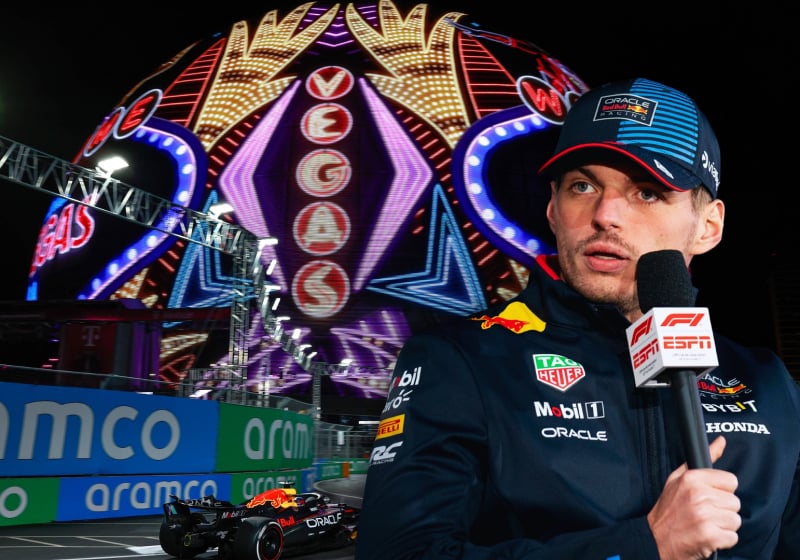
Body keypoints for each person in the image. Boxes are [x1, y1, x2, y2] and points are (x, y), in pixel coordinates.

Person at [354, 77, 800, 559]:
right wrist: (643, 546)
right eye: (582, 185)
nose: (605, 214)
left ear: (708, 227)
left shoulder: (768, 383)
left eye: (647, 192)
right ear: (552, 208)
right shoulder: (460, 361)